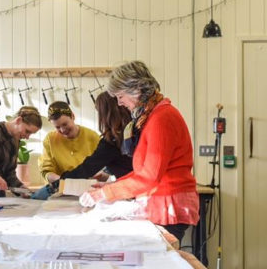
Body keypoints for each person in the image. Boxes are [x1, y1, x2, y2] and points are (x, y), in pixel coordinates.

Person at [79, 61, 199, 242]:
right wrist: (109, 187)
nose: (119, 103)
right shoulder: (152, 116)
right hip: (162, 202)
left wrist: (104, 194)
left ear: (136, 89)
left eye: (120, 96)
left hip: (168, 205)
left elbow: (149, 178)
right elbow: (142, 173)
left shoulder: (161, 118)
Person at [60, 91, 133, 181]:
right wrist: (108, 175)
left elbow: (87, 168)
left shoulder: (111, 142)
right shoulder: (133, 129)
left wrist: (60, 180)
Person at [39, 101, 100, 184]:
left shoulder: (93, 137)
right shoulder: (50, 139)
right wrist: (63, 181)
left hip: (87, 187)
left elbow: (103, 169)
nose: (63, 130)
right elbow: (46, 171)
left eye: (65, 124)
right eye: (57, 127)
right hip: (60, 187)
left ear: (72, 116)